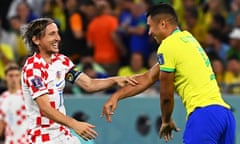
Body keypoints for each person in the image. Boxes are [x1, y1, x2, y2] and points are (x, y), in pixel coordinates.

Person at [101, 3, 236, 144]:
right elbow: (148, 77)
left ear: (163, 24)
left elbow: (166, 93)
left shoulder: (168, 45)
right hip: (225, 115)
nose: (149, 32)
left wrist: (166, 119)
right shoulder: (187, 39)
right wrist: (117, 96)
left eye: (150, 26)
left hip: (205, 115)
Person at [21, 18, 137, 144]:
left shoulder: (61, 61)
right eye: (51, 34)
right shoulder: (33, 68)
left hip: (62, 133)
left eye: (57, 33)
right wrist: (74, 124)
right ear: (36, 39)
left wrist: (115, 80)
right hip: (42, 136)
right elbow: (45, 108)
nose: (58, 38)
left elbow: (89, 84)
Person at [0, 62, 30, 143]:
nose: (14, 78)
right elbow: (1, 123)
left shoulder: (27, 96)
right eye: (11, 76)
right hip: (11, 141)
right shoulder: (3, 98)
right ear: (5, 77)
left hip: (27, 141)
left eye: (16, 75)